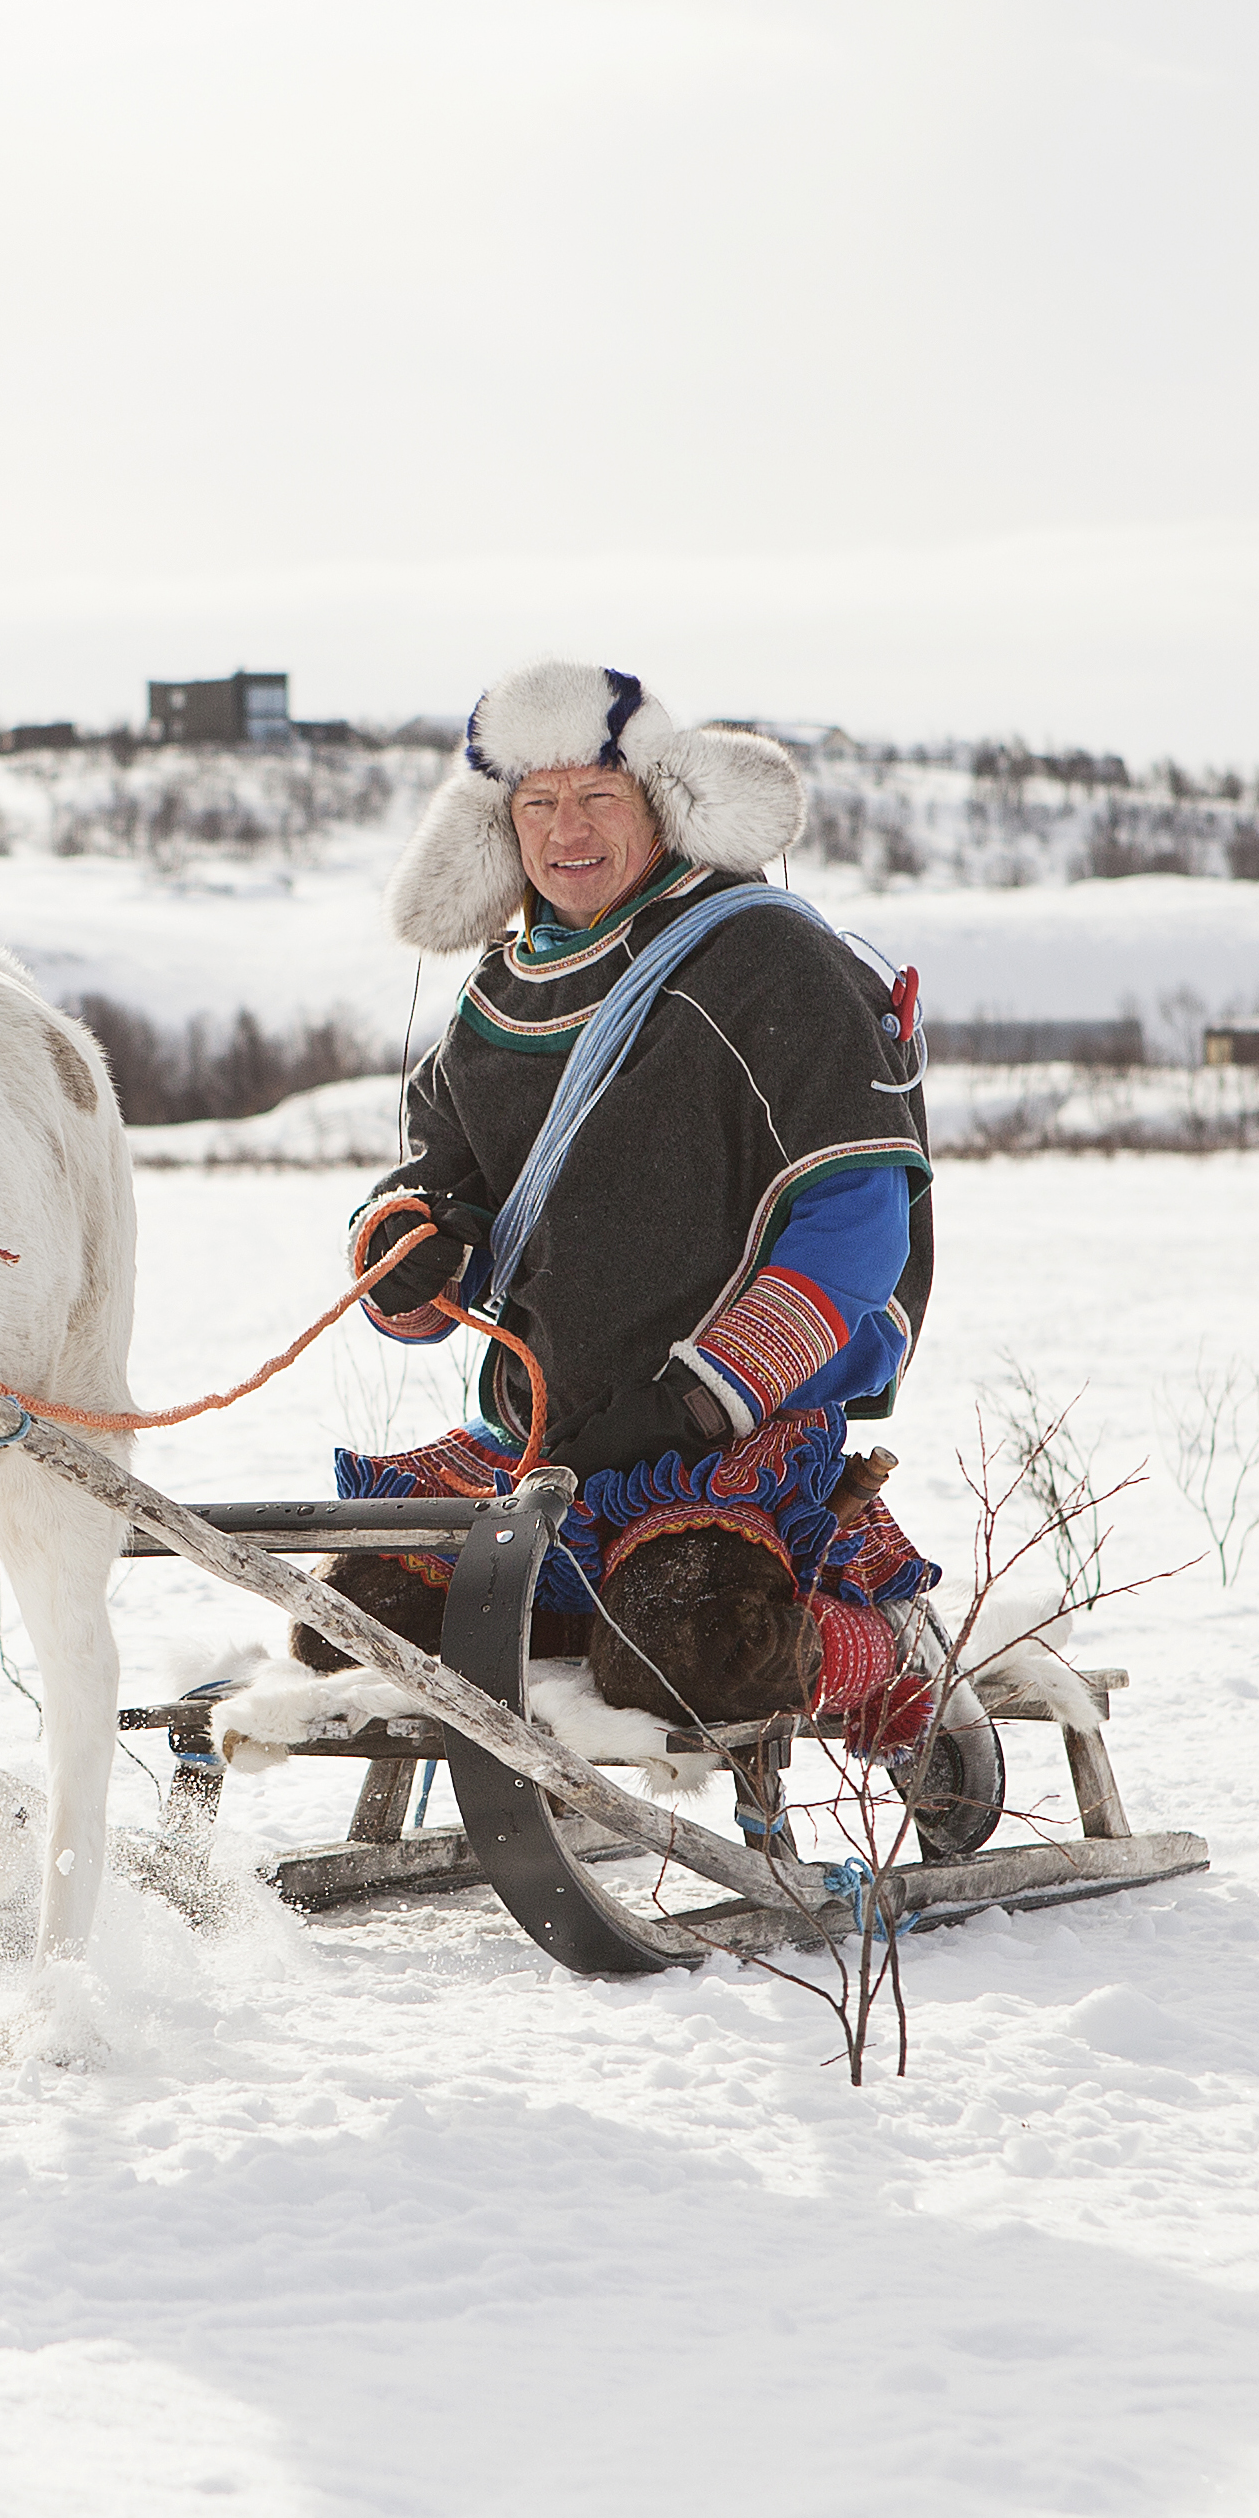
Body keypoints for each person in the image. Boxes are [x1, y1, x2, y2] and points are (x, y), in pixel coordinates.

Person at [295, 657, 942, 1746]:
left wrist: (694, 1402)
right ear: (501, 826)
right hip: (545, 1431)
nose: (567, 830)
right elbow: (426, 1185)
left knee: (694, 1650)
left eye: (600, 796)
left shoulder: (768, 955)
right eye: (537, 803)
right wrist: (403, 1251)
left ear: (666, 805)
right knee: (356, 1623)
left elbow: (857, 1226)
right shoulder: (499, 993)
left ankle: (888, 1654)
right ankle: (574, 1642)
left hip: (722, 1424)